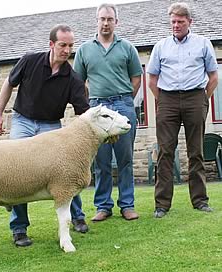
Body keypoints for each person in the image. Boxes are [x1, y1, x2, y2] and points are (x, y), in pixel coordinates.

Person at [0, 24, 90, 247]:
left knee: (68, 170)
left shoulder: (73, 79)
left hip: (50, 126)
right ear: (51, 44)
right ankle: (19, 229)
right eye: (62, 45)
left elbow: (84, 115)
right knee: (17, 170)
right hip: (23, 121)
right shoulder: (29, 61)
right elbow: (8, 84)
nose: (66, 50)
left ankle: (77, 217)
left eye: (70, 46)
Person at [147, 2, 218, 218]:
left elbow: (213, 77)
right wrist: (164, 101)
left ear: (190, 22)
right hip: (167, 99)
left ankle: (200, 201)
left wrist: (203, 100)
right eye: (173, 21)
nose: (176, 25)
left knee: (195, 151)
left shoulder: (203, 43)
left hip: (195, 97)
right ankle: (162, 205)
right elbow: (151, 79)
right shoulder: (160, 46)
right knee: (165, 152)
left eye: (181, 21)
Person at [73, 3, 142, 222]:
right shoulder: (85, 50)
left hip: (123, 105)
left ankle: (127, 205)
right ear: (97, 21)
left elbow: (136, 78)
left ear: (116, 22)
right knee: (100, 161)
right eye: (102, 19)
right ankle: (103, 206)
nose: (105, 23)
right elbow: (78, 82)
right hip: (97, 108)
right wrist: (90, 106)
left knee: (125, 159)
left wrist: (125, 101)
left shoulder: (127, 47)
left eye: (110, 19)